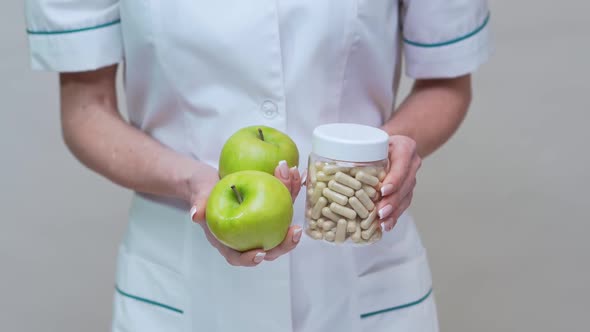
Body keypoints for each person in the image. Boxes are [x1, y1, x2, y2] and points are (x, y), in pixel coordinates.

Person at [25, 1, 491, 331]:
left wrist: (381, 154)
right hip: (180, 280)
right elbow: (86, 108)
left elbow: (445, 81)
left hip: (359, 270)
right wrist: (191, 182)